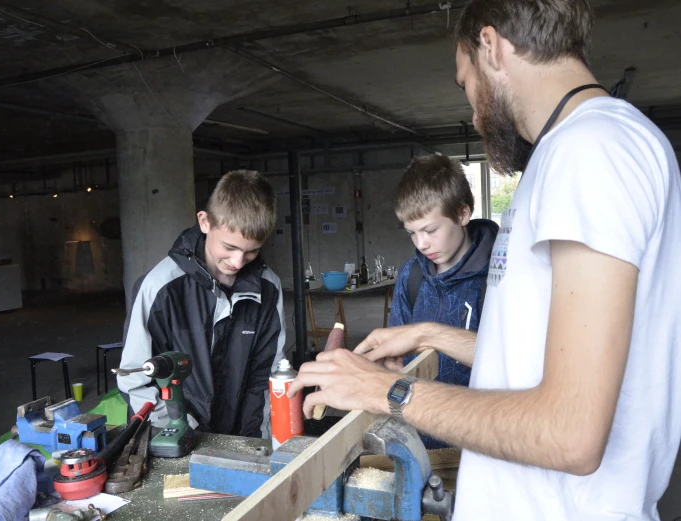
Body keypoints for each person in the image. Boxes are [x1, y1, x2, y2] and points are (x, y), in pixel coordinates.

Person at [287, 1, 681, 520]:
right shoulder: (574, 151)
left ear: (492, 47)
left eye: (465, 83)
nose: (472, 112)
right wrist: (427, 334)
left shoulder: (591, 149)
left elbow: (570, 433)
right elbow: (535, 357)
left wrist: (384, 389)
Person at [118, 170, 286, 438]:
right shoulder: (160, 287)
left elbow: (269, 375)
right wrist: (182, 433)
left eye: (251, 250)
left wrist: (263, 443)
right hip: (174, 437)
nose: (238, 261)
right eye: (229, 247)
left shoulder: (268, 287)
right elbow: (136, 379)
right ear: (205, 221)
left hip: (244, 437)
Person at [388, 154, 498, 449]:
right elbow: (395, 351)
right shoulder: (411, 277)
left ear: (462, 214)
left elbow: (511, 362)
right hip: (416, 436)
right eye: (412, 232)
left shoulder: (498, 279)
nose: (421, 244)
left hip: (478, 440)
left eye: (430, 230)